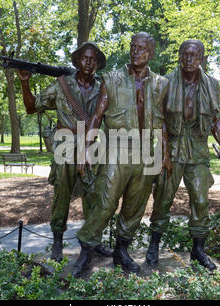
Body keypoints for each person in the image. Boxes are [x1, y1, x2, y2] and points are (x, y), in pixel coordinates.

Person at [73, 32, 172, 278]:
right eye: (132, 47)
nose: (135, 52)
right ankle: (87, 250)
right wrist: (86, 147)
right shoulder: (113, 78)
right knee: (105, 201)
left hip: (146, 149)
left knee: (135, 205)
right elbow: (97, 116)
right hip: (117, 146)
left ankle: (121, 251)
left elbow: (163, 122)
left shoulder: (161, 83)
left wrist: (165, 153)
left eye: (141, 48)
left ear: (151, 52)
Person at [17, 42, 112, 262]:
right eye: (84, 58)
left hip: (91, 145)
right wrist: (25, 83)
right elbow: (32, 107)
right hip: (65, 144)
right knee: (62, 194)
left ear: (98, 64)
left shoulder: (103, 88)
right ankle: (57, 243)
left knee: (94, 196)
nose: (88, 63)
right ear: (77, 60)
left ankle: (93, 242)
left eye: (93, 59)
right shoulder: (62, 85)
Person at [146, 39, 220, 270]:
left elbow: (215, 121)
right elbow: (160, 120)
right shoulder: (164, 82)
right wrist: (164, 153)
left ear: (202, 58)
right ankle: (153, 244)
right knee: (163, 198)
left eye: (194, 55)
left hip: (197, 148)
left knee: (201, 200)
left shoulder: (212, 85)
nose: (189, 59)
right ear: (179, 56)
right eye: (185, 54)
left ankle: (198, 250)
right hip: (172, 147)